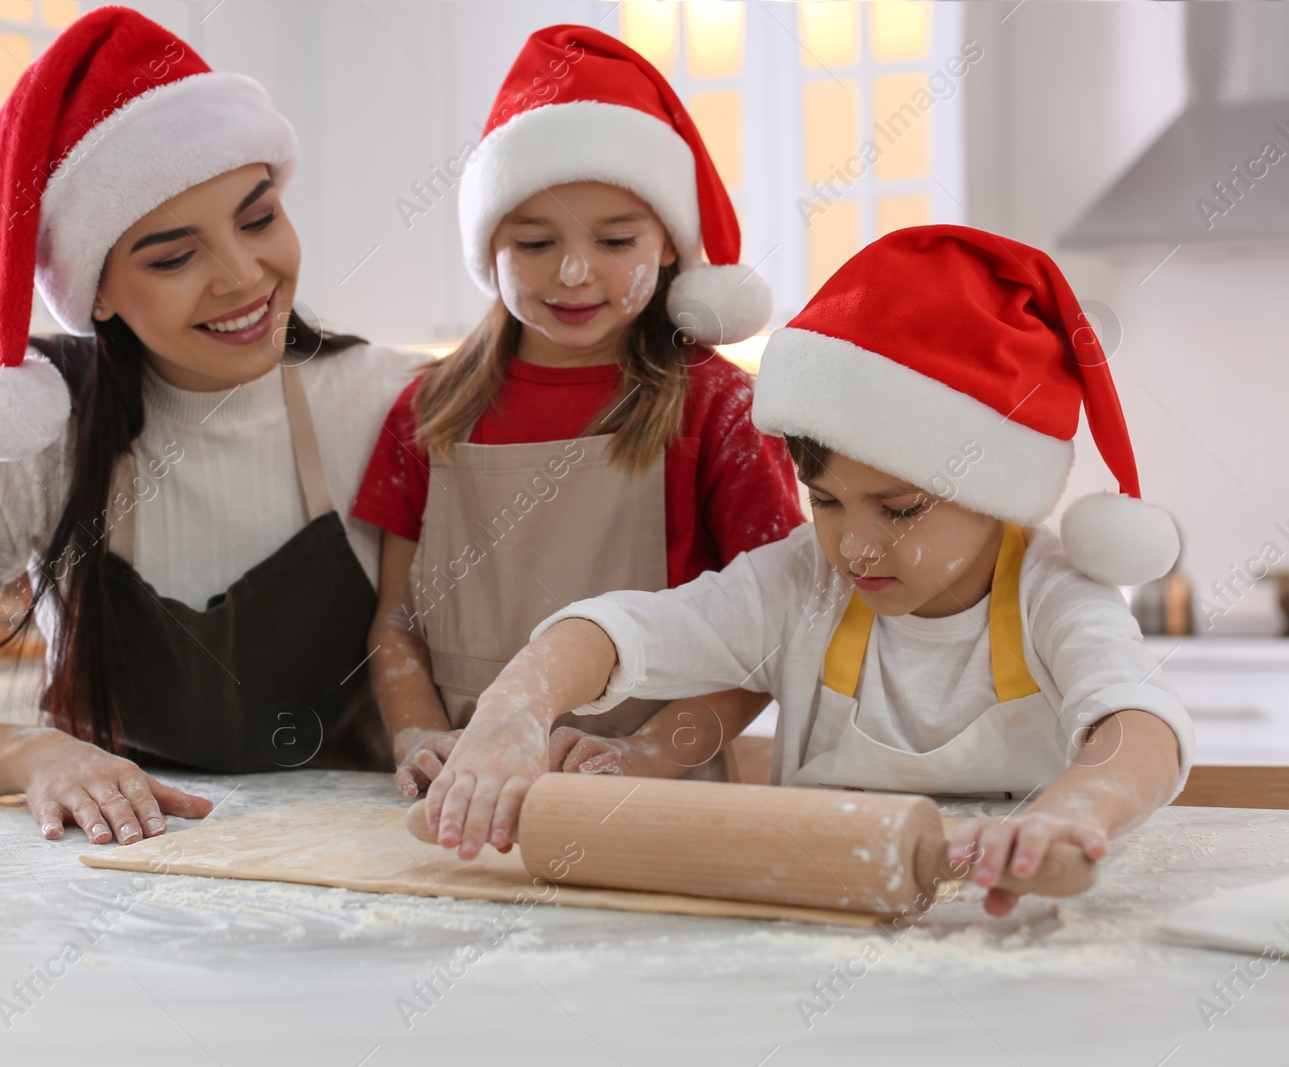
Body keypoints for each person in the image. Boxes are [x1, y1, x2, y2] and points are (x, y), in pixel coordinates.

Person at [424, 225, 1194, 917]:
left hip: (1002, 925)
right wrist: (512, 710)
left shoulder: (1049, 594)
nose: (854, 546)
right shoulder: (805, 583)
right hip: (815, 928)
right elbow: (625, 629)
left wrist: (1074, 814)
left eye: (898, 510)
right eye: (826, 502)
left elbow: (1138, 723)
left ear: (992, 494)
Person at [0, 6, 424, 844]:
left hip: (373, 882)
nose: (244, 276)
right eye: (174, 257)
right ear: (95, 291)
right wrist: (32, 758)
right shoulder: (36, 436)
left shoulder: (389, 402)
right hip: (117, 882)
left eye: (259, 219)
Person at [351, 26, 804, 799]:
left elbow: (778, 630)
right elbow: (397, 620)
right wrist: (419, 734)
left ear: (668, 246)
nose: (572, 271)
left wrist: (655, 752)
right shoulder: (428, 412)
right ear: (488, 247)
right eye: (532, 242)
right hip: (460, 797)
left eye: (614, 238)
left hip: (657, 799)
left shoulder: (720, 408)